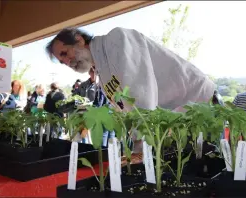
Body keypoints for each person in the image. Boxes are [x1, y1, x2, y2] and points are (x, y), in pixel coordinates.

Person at [45, 27, 216, 162]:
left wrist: (139, 147)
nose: (67, 62)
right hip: (174, 125)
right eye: (62, 61)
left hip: (200, 109)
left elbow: (141, 93)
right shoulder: (100, 71)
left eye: (65, 53)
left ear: (79, 39)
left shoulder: (116, 40)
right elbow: (125, 109)